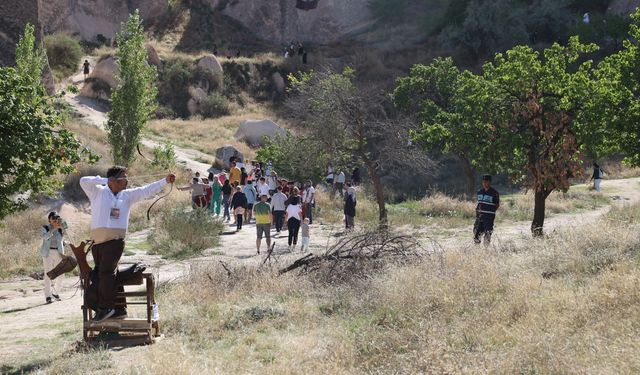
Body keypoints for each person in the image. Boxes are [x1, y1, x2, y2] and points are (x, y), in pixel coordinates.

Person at [80, 166, 175, 321]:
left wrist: (165, 180)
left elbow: (146, 190)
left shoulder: (127, 195)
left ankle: (106, 308)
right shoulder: (98, 191)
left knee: (106, 274)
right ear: (113, 180)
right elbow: (83, 181)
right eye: (124, 177)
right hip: (97, 244)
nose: (127, 180)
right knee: (103, 275)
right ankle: (120, 309)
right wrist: (105, 180)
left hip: (115, 242)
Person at [40, 211, 66, 303]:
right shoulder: (45, 228)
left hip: (59, 253)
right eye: (53, 218)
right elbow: (45, 237)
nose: (55, 220)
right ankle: (48, 296)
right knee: (48, 274)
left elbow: (67, 231)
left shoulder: (60, 228)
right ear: (49, 220)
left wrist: (63, 224)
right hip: (48, 253)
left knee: (61, 273)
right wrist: (53, 229)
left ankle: (55, 292)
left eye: (56, 218)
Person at [473, 174, 500, 245]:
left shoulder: (494, 193)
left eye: (486, 182)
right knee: (477, 235)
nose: (485, 183)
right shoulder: (479, 192)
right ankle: (477, 252)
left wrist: (490, 212)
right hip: (479, 217)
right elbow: (479, 203)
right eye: (483, 182)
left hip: (488, 217)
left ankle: (486, 251)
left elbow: (497, 205)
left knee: (487, 234)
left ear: (490, 182)